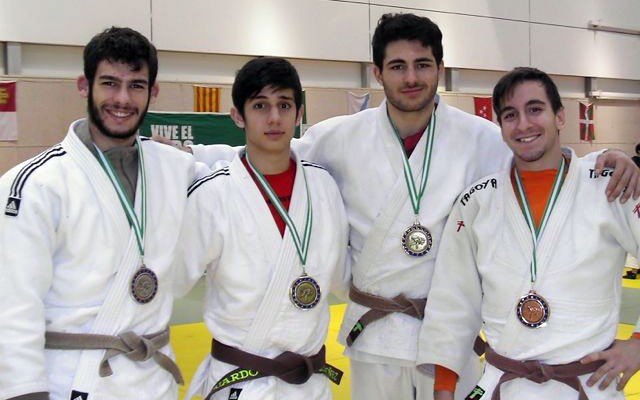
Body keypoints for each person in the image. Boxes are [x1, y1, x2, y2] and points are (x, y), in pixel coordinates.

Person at [183, 13, 640, 400]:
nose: (411, 77)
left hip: (453, 339)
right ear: (378, 73)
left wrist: (601, 162)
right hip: (374, 336)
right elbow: (263, 157)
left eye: (423, 64)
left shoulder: (483, 137)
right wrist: (172, 160)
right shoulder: (336, 138)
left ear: (440, 68)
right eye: (398, 66)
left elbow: (542, 161)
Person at [417, 67, 640, 400]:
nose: (523, 124)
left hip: (587, 386)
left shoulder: (609, 187)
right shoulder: (477, 200)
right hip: (504, 384)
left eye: (535, 109)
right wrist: (444, 388)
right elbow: (453, 298)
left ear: (560, 116)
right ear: (501, 127)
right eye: (510, 115)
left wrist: (637, 345)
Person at [0, 27, 199, 400]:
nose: (122, 99)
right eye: (109, 83)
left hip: (154, 380)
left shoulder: (176, 168)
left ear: (152, 93)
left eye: (136, 85)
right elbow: (12, 307)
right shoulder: (34, 184)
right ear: (83, 85)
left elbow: (241, 171)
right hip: (72, 381)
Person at [176, 57, 349, 400]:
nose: (274, 118)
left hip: (309, 384)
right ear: (238, 115)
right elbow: (171, 281)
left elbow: (344, 276)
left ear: (298, 115)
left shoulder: (324, 186)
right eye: (260, 105)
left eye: (284, 105)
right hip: (241, 383)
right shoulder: (212, 194)